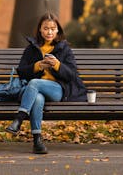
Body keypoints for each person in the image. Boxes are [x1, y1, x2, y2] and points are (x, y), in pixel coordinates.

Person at [5, 12, 87, 154]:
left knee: (35, 83)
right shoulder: (31, 48)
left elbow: (72, 75)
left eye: (52, 28)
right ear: (40, 30)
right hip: (34, 92)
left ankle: (19, 118)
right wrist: (38, 66)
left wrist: (57, 65)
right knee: (37, 97)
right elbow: (21, 71)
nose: (49, 32)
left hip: (57, 90)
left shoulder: (64, 48)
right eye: (46, 28)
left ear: (57, 30)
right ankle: (37, 141)